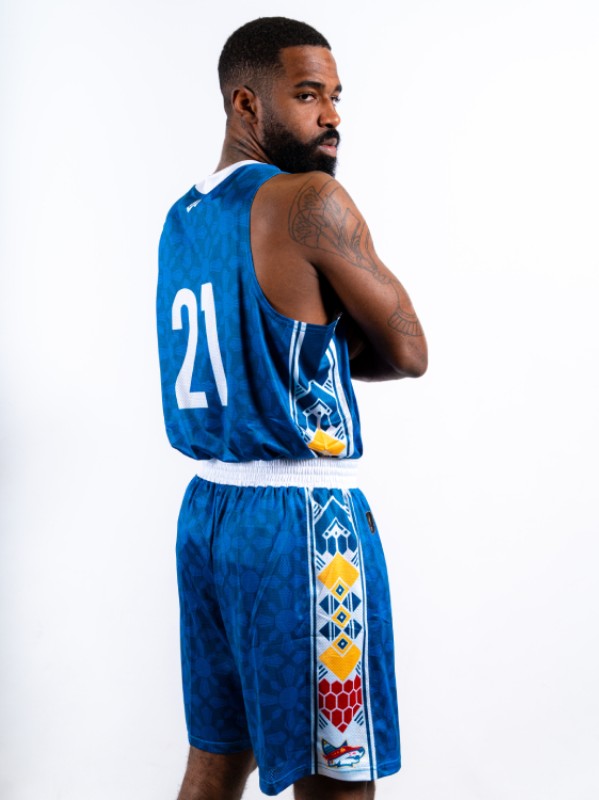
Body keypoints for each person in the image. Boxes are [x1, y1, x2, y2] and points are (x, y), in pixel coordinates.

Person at [156, 16, 427, 800]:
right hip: (301, 524)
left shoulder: (182, 217)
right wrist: (330, 341)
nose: (331, 115)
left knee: (215, 762)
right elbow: (409, 351)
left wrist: (305, 344)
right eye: (308, 95)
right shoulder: (309, 199)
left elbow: (256, 352)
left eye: (335, 96)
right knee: (338, 783)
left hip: (206, 516)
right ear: (246, 103)